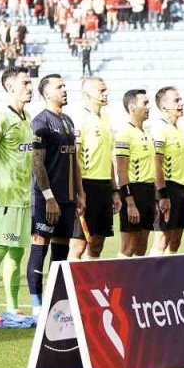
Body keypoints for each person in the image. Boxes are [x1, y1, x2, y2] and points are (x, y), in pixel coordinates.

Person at [0, 66, 40, 328]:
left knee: (16, 255)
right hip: (3, 199)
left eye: (30, 82)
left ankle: (13, 307)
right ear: (10, 87)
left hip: (23, 199)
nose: (30, 87)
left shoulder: (27, 117)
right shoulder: (0, 117)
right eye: (25, 83)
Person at [27, 74, 84, 308]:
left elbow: (74, 159)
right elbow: (37, 162)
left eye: (65, 86)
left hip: (68, 198)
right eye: (59, 87)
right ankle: (36, 307)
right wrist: (49, 197)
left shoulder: (69, 121)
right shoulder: (40, 122)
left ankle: (54, 304)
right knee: (40, 247)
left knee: (60, 254)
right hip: (46, 199)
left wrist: (80, 192)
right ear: (46, 93)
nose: (64, 90)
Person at [69, 77, 119, 260]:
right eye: (101, 90)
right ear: (87, 95)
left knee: (98, 243)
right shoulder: (80, 119)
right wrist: (79, 191)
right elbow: (73, 158)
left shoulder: (107, 119)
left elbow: (109, 157)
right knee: (79, 243)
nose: (105, 94)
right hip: (86, 185)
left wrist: (114, 190)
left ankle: (89, 285)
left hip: (104, 187)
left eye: (106, 90)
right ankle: (68, 285)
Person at [150, 87, 184, 255]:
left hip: (181, 189)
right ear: (164, 106)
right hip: (168, 187)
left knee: (176, 239)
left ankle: (170, 277)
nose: (181, 103)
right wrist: (163, 194)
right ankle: (151, 277)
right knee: (163, 238)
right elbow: (156, 164)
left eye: (180, 100)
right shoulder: (159, 129)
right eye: (176, 100)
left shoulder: (180, 130)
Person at [115, 89, 154, 257]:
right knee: (128, 248)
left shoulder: (147, 133)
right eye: (144, 103)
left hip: (148, 192)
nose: (148, 107)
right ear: (132, 107)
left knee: (141, 248)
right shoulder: (124, 133)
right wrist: (130, 203)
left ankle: (139, 283)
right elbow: (121, 170)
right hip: (133, 193)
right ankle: (119, 282)